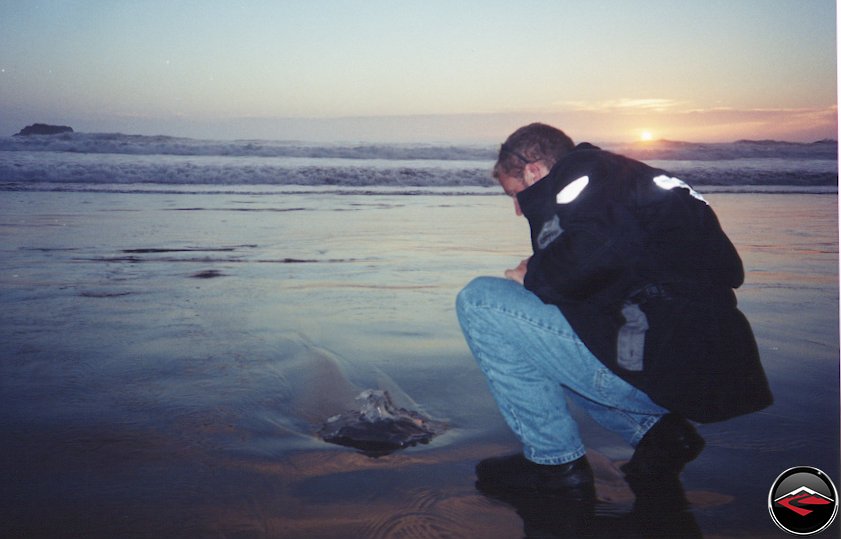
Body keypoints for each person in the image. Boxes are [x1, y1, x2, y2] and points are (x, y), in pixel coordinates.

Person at [456, 123, 772, 499]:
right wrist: (552, 272)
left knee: (480, 301)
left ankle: (554, 463)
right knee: (557, 311)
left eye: (516, 195)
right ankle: (659, 435)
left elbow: (597, 251)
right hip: (707, 370)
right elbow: (719, 269)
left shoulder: (581, 176)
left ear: (534, 171)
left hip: (668, 370)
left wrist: (534, 276)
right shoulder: (631, 181)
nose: (517, 209)